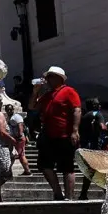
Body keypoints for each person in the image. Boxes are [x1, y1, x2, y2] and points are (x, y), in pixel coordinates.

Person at [31, 65, 81, 201]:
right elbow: (32, 106)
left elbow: (77, 110)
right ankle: (58, 193)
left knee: (67, 166)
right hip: (48, 135)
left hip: (64, 134)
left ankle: (69, 197)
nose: (47, 80)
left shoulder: (69, 91)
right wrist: (35, 92)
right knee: (44, 165)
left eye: (50, 77)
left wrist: (75, 130)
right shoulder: (47, 95)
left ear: (59, 78)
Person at [9, 104, 31, 175]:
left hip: (19, 139)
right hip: (16, 139)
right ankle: (27, 171)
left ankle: (27, 171)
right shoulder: (11, 117)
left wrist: (19, 136)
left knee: (19, 155)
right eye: (7, 109)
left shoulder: (16, 117)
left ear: (13, 110)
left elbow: (20, 126)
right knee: (19, 155)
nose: (9, 111)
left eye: (10, 109)